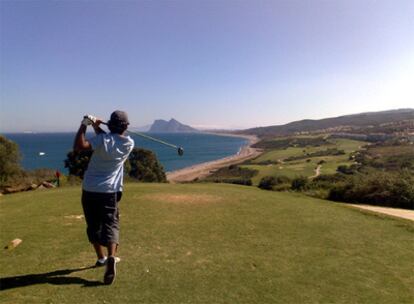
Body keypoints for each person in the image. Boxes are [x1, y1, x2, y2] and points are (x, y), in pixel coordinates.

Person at [73, 110, 134, 285]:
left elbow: (79, 146)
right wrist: (96, 126)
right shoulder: (129, 143)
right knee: (110, 224)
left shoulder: (102, 141)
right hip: (110, 192)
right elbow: (109, 141)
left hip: (90, 189)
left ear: (111, 124)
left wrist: (85, 124)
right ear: (126, 127)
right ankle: (111, 257)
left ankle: (101, 258)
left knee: (93, 224)